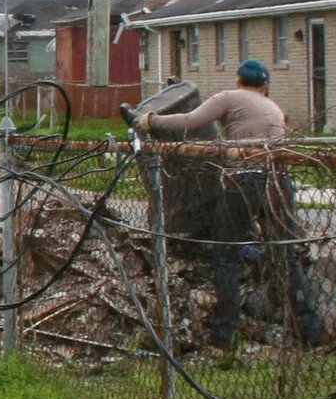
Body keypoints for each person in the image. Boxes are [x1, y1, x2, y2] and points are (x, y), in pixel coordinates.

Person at [123, 59, 323, 349]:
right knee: (285, 254)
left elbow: (190, 121)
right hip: (280, 180)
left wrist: (149, 121)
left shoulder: (230, 97)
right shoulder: (273, 107)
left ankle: (225, 334)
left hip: (247, 178)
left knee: (225, 253)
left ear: (239, 80)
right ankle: (312, 329)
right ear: (265, 85)